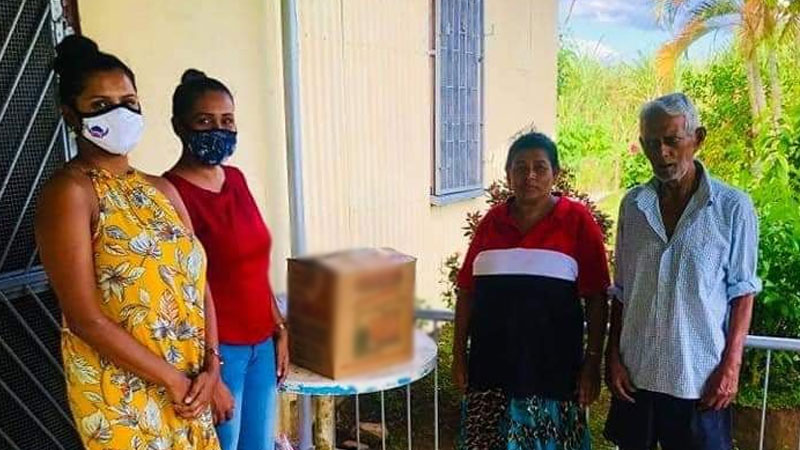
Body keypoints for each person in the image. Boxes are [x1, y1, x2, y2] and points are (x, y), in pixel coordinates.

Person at [35, 36, 221, 449]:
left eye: (129, 102)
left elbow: (198, 281)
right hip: (123, 397)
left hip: (190, 385)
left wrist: (213, 366)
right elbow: (84, 318)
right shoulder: (71, 193)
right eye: (101, 104)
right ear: (70, 114)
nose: (119, 113)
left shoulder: (162, 190)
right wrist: (174, 381)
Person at [604, 93, 762, 450]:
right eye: (651, 143)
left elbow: (743, 292)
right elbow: (622, 290)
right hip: (637, 376)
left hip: (698, 378)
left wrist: (731, 366)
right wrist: (613, 357)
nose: (662, 153)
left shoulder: (732, 207)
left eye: (672, 140)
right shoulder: (634, 206)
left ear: (698, 138)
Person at [452, 132, 610, 449]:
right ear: (508, 173)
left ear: (556, 173)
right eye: (520, 167)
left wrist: (592, 362)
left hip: (553, 378)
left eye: (540, 167)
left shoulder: (576, 221)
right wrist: (458, 354)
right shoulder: (491, 223)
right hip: (490, 376)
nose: (530, 176)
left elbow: (596, 298)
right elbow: (467, 292)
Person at [163, 69, 289, 450]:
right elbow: (186, 289)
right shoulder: (170, 193)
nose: (218, 130)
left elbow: (254, 264)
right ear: (179, 126)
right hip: (219, 354)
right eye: (205, 121)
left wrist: (279, 327)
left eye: (227, 121)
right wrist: (212, 370)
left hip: (262, 345)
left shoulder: (236, 179)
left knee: (259, 444)